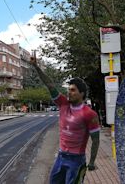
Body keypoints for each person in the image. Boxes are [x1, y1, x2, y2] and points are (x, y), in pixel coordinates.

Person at [30, 56, 100, 184]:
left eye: (73, 90)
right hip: (61, 157)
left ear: (82, 93)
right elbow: (50, 85)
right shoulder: (63, 103)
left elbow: (95, 140)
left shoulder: (89, 114)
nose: (69, 93)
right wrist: (36, 67)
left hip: (76, 161)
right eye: (68, 90)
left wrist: (91, 162)